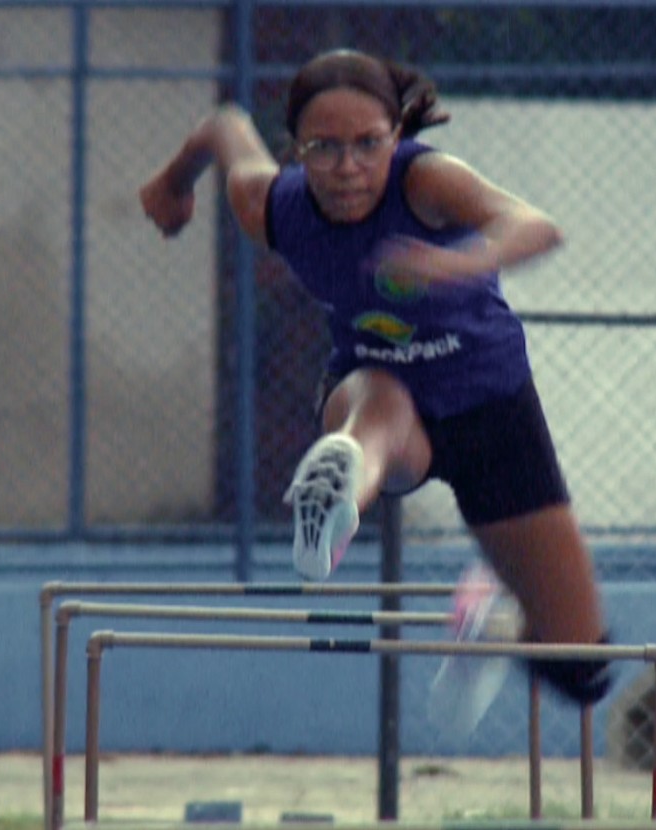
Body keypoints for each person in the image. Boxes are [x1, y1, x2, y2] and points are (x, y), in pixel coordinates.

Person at [139, 49, 612, 730]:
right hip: (374, 398)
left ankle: (491, 625)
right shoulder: (274, 207)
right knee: (379, 401)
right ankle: (336, 492)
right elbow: (223, 128)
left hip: (489, 407)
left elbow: (535, 225)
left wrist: (457, 261)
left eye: (367, 145)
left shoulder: (427, 182)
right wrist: (174, 181)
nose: (347, 168)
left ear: (396, 135)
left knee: (583, 669)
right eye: (323, 149)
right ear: (297, 150)